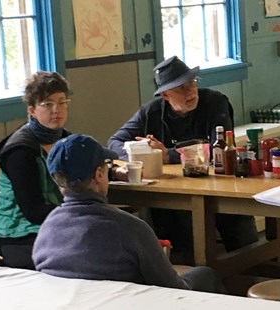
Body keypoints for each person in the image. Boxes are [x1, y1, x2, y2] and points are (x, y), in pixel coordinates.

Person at [107, 56, 258, 261]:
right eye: (181, 88)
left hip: (219, 187)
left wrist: (167, 155)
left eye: (192, 83)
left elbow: (218, 151)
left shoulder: (215, 102)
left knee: (241, 230)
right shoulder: (150, 112)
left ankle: (250, 266)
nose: (190, 91)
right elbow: (114, 142)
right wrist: (142, 153)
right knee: (163, 215)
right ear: (165, 95)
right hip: (175, 191)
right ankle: (188, 270)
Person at [32, 134, 226, 293]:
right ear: (99, 175)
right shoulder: (130, 228)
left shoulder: (47, 229)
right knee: (204, 275)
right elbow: (172, 287)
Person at [0, 72, 127, 269]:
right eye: (47, 104)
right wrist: (83, 214)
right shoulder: (21, 152)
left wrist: (114, 173)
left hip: (59, 223)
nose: (57, 110)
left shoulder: (65, 140)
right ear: (32, 111)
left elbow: (84, 166)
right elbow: (33, 211)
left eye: (62, 102)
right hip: (22, 236)